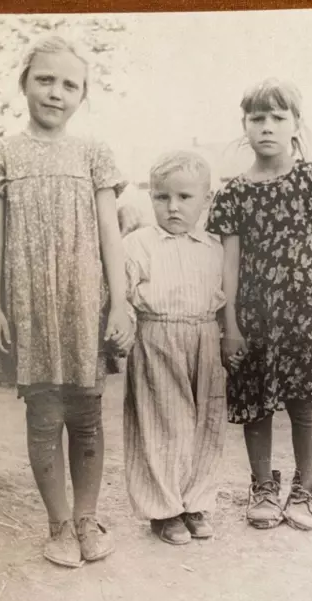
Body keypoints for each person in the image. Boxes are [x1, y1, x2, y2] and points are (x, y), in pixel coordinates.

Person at [0, 34, 133, 567]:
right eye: (44, 79)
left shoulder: (94, 154)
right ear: (24, 84)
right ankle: (59, 526)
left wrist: (120, 303)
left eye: (69, 84)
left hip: (85, 303)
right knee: (44, 416)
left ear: (82, 95)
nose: (55, 92)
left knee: (87, 417)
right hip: (30, 308)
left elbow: (111, 233)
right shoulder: (1, 153)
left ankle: (88, 519)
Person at [206, 79, 312, 531]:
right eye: (257, 118)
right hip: (254, 316)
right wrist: (230, 322)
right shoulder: (233, 194)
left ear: (295, 124)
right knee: (256, 404)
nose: (267, 127)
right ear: (244, 125)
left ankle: (305, 488)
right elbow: (229, 264)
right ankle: (263, 488)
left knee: (303, 405)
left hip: (305, 314)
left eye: (277, 117)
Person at [123, 151, 228, 545]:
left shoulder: (215, 246)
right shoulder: (138, 244)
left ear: (206, 199)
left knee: (206, 423)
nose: (172, 207)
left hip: (204, 336)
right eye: (161, 197)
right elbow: (122, 294)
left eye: (184, 197)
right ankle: (164, 509)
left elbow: (225, 296)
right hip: (157, 336)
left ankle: (196, 501)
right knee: (163, 423)